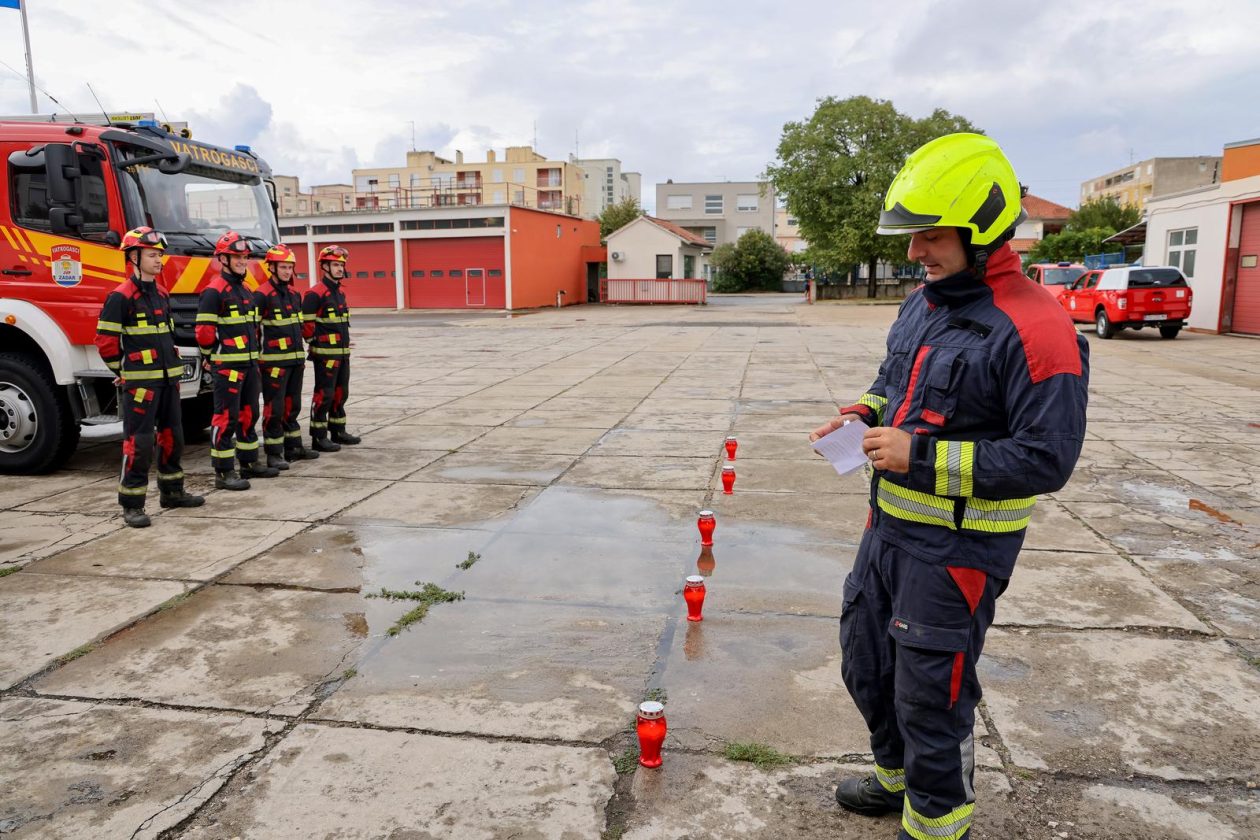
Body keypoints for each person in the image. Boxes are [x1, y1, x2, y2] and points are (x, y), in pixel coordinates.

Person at [810, 133, 1089, 840]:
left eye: (928, 236)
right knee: (866, 663)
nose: (914, 254)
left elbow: (1045, 460)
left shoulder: (1039, 328)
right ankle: (897, 779)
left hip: (958, 551)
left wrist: (920, 456)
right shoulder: (924, 303)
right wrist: (863, 415)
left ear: (983, 229)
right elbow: (892, 384)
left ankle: (937, 822)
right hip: (888, 533)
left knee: (932, 692)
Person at [95, 227, 204, 527]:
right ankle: (132, 504)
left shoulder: (161, 293)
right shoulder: (120, 297)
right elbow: (105, 342)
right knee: (139, 444)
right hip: (141, 386)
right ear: (134, 256)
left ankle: (172, 492)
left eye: (160, 255)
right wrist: (125, 373)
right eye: (153, 255)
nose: (159, 260)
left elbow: (164, 336)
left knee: (174, 438)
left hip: (169, 382)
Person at [196, 230, 279, 489]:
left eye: (244, 257)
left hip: (250, 364)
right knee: (226, 417)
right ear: (223, 259)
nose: (243, 261)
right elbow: (204, 331)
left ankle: (249, 462)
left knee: (248, 414)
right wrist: (211, 357)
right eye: (237, 257)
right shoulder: (213, 291)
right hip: (228, 366)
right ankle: (223, 472)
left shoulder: (245, 290)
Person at [254, 243, 317, 468]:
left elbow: (300, 325)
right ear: (271, 267)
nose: (287, 272)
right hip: (272, 363)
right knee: (275, 408)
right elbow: (254, 330)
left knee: (294, 405)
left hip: (295, 360)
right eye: (283, 267)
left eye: (290, 267)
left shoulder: (294, 294)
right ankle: (274, 453)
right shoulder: (261, 295)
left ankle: (294, 447)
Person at [302, 244, 360, 452]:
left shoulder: (339, 293)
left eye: (341, 265)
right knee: (324, 395)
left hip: (342, 353)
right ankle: (318, 436)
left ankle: (338, 431)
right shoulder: (315, 293)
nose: (339, 269)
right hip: (325, 355)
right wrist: (315, 344)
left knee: (341, 393)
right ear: (324, 267)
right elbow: (307, 325)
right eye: (335, 265)